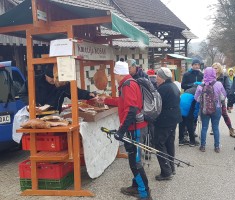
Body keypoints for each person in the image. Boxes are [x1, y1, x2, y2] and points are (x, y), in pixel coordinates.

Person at [101, 61, 151, 200]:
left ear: (118, 73)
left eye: (114, 74)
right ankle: (136, 186)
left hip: (136, 129)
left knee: (135, 162)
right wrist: (106, 100)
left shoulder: (127, 85)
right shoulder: (128, 83)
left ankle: (144, 193)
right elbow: (122, 102)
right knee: (133, 159)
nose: (114, 77)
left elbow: (131, 109)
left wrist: (121, 131)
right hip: (134, 127)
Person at [18, 64, 94, 112]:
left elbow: (75, 92)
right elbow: (22, 93)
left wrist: (89, 94)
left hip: (55, 113)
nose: (53, 81)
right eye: (51, 78)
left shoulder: (62, 83)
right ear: (45, 75)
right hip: (36, 114)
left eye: (56, 79)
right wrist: (32, 104)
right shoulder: (34, 80)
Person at [154, 67, 182, 181]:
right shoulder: (174, 85)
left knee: (159, 144)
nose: (156, 79)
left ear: (163, 78)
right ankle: (171, 167)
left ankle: (166, 172)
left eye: (158, 77)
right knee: (169, 143)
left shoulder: (163, 89)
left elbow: (156, 105)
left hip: (165, 120)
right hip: (174, 118)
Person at [194, 67, 226, 153]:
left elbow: (196, 98)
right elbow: (224, 95)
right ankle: (217, 147)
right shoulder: (218, 84)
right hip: (217, 108)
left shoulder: (200, 85)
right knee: (215, 128)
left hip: (204, 109)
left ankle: (203, 146)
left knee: (204, 127)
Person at [212, 63, 235, 138]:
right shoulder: (211, 76)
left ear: (219, 68)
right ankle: (213, 128)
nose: (214, 69)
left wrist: (224, 96)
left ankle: (230, 129)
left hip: (220, 99)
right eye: (213, 68)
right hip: (210, 99)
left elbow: (228, 88)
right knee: (211, 113)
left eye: (216, 68)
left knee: (224, 114)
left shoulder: (224, 77)